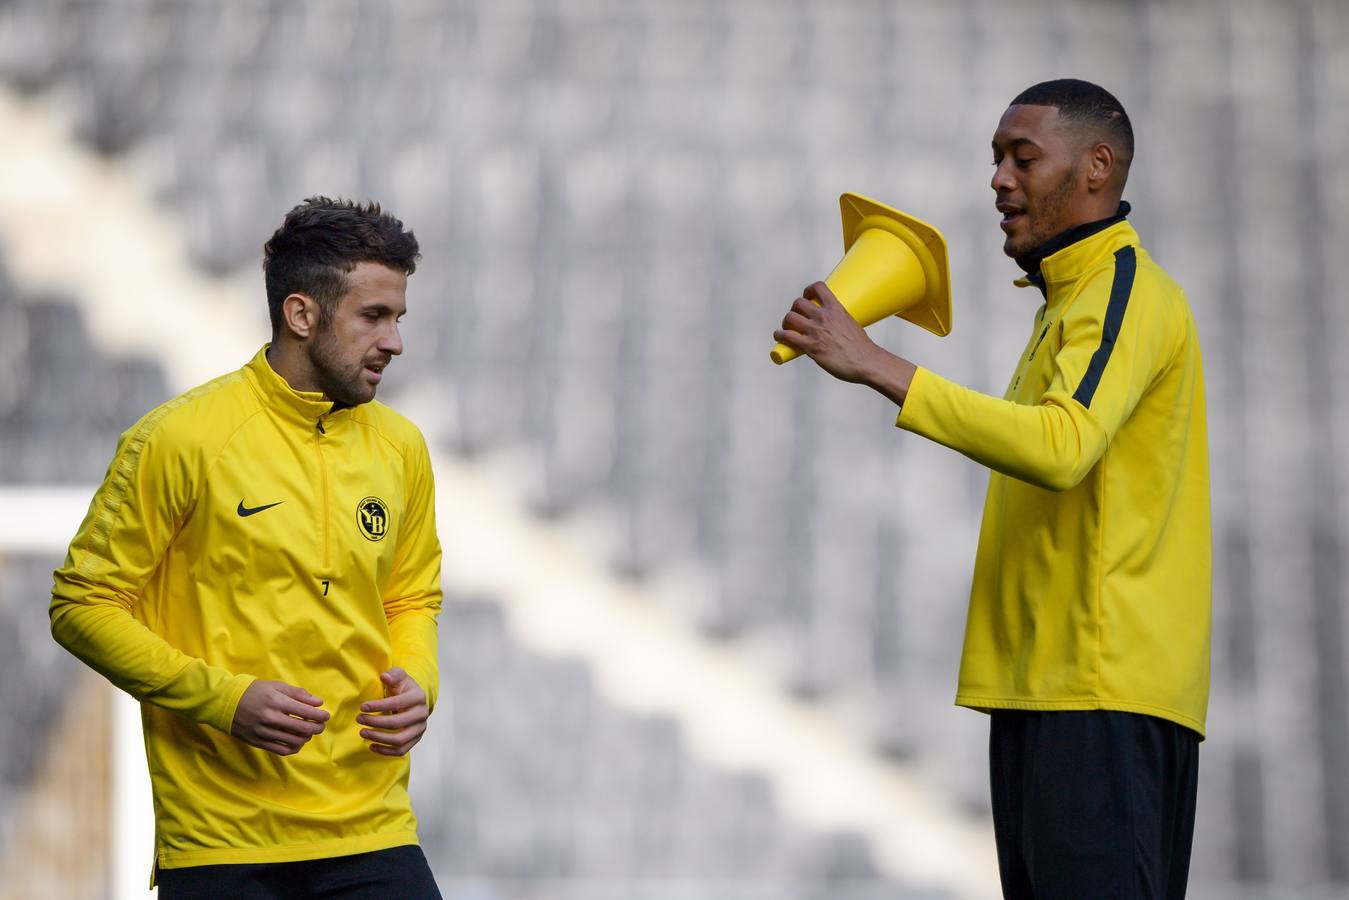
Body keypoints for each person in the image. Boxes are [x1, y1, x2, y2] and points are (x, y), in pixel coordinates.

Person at [773, 79, 1210, 898]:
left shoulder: (1124, 285)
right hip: (1050, 693)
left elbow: (1060, 446)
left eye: (1022, 157)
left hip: (1098, 693)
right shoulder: (1068, 299)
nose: (999, 180)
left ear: (1096, 168)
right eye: (995, 160)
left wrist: (877, 364)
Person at [50, 197, 444, 898]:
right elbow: (82, 606)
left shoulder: (401, 447)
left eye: (398, 318)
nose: (394, 341)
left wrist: (420, 679)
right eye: (373, 316)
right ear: (301, 315)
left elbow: (410, 595)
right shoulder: (181, 438)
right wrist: (225, 700)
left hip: (372, 828)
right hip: (221, 840)